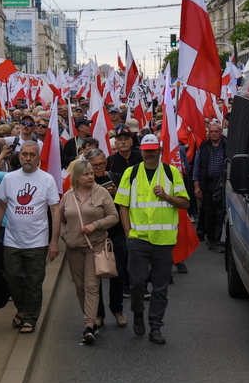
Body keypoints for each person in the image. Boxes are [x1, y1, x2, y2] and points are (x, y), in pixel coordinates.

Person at [114, 134, 190, 344]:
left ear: (159, 150)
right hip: (138, 238)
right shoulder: (131, 173)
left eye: (153, 149)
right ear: (142, 150)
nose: (149, 153)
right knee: (137, 282)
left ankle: (155, 325)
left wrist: (166, 196)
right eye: (146, 149)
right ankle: (138, 313)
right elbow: (123, 205)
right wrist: (128, 233)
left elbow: (185, 204)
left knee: (160, 286)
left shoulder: (170, 172)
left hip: (164, 239)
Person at [0, 141, 61, 334]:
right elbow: (1, 207)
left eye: (32, 155)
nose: (28, 158)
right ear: (19, 156)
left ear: (38, 158)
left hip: (38, 242)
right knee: (12, 277)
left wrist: (54, 241)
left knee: (34, 282)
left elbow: (55, 211)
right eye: (24, 154)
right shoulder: (9, 179)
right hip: (12, 241)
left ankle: (30, 318)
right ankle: (22, 309)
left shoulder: (47, 180)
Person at [59, 160, 119, 344]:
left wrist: (96, 225)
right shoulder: (68, 196)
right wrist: (64, 236)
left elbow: (114, 217)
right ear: (77, 176)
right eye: (86, 174)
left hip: (95, 247)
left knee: (91, 286)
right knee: (80, 287)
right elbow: (61, 220)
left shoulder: (101, 193)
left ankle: (89, 326)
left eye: (92, 173)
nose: (91, 176)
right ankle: (90, 318)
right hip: (73, 249)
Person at [87, 149, 129, 327]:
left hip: (116, 234)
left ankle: (117, 310)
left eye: (102, 163)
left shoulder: (116, 177)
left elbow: (128, 203)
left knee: (117, 275)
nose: (99, 168)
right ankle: (99, 314)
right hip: (94, 236)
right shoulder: (85, 181)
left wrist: (117, 194)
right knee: (94, 278)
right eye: (95, 165)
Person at [194, 122, 227, 252]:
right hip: (207, 184)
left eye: (216, 131)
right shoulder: (203, 146)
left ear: (220, 133)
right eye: (211, 131)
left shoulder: (226, 146)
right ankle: (211, 239)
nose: (214, 134)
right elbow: (197, 166)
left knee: (220, 214)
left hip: (222, 184)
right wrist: (196, 185)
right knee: (209, 214)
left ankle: (219, 241)